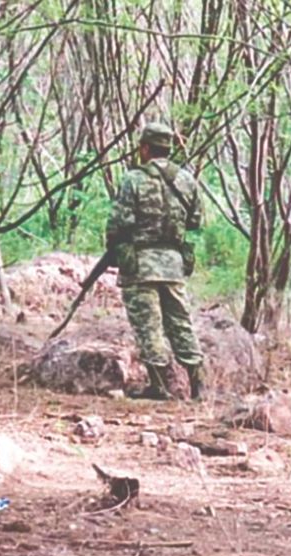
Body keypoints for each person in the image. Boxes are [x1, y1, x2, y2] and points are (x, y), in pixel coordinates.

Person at [105, 122, 205, 401]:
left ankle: (159, 387)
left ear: (145, 148)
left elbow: (118, 223)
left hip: (141, 265)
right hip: (173, 265)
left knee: (149, 327)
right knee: (181, 323)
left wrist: (116, 250)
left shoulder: (133, 180)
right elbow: (196, 223)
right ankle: (198, 386)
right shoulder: (187, 180)